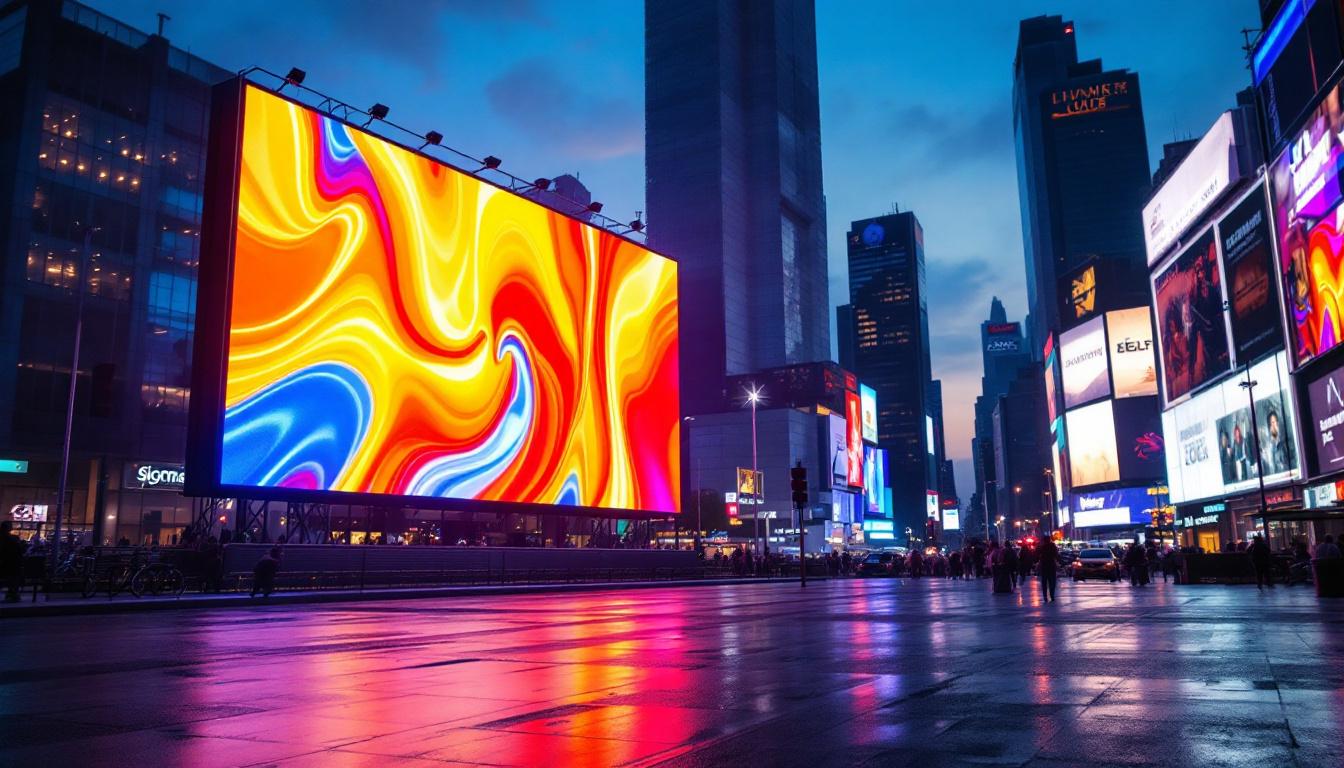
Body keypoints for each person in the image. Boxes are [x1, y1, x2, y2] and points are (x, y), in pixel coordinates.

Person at [1, 521, 27, 603]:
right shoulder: (13, 538)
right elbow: (19, 551)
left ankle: (12, 593)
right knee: (14, 577)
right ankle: (13, 594)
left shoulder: (9, 538)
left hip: (5, 563)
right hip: (11, 564)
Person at [1038, 537, 1059, 603]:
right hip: (1051, 567)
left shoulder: (1042, 547)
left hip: (1044, 567)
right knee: (1052, 582)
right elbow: (1056, 555)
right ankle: (1052, 595)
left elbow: (1036, 555)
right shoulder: (1053, 546)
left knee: (1044, 583)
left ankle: (1045, 597)